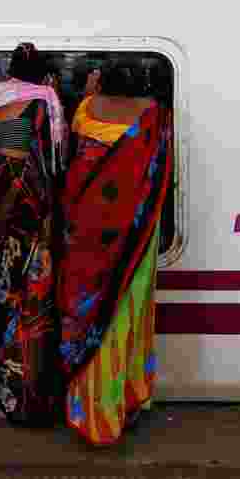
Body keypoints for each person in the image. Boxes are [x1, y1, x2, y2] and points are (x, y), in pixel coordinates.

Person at [57, 59, 174, 446]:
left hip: (87, 231)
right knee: (126, 312)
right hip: (133, 236)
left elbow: (77, 152)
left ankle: (91, 411)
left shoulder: (85, 111)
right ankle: (126, 400)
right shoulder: (154, 115)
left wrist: (91, 93)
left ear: (101, 81)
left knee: (90, 312)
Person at [0, 43, 68, 424]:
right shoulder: (43, 102)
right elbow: (54, 162)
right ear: (43, 74)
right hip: (26, 220)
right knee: (29, 305)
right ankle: (26, 398)